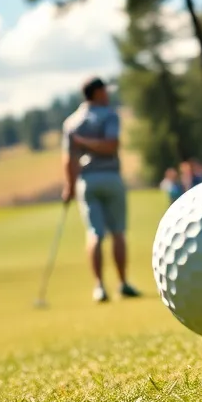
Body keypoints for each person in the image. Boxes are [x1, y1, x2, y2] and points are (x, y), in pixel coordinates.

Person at [61, 76, 139, 303]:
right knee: (117, 232)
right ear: (97, 93)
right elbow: (111, 146)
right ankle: (122, 283)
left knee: (94, 233)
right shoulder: (109, 115)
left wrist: (70, 186)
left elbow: (69, 159)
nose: (108, 94)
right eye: (105, 91)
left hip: (86, 181)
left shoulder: (72, 122)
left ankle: (99, 287)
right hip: (110, 177)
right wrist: (87, 144)